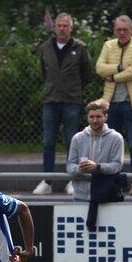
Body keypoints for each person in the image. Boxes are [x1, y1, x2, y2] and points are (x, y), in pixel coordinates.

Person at [33, 13, 92, 196]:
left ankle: (72, 180)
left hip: (72, 101)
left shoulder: (80, 47)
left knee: (72, 142)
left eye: (65, 25)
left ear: (71, 28)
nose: (62, 28)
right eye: (59, 25)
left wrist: (72, 89)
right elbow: (44, 72)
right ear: (54, 27)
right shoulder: (45, 47)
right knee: (48, 142)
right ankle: (47, 181)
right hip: (50, 100)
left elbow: (86, 74)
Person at [95, 15, 132, 196]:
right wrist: (119, 68)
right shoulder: (108, 45)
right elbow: (99, 68)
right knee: (111, 143)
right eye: (119, 29)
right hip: (111, 103)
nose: (122, 33)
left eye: (125, 29)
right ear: (114, 31)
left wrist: (114, 77)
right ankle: (113, 181)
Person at [66, 99, 124, 201]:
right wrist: (79, 169)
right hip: (81, 196)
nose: (95, 120)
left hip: (106, 195)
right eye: (91, 117)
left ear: (106, 117)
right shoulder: (77, 138)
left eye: (98, 117)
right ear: (87, 118)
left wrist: (98, 167)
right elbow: (70, 166)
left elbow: (117, 165)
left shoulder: (116, 138)